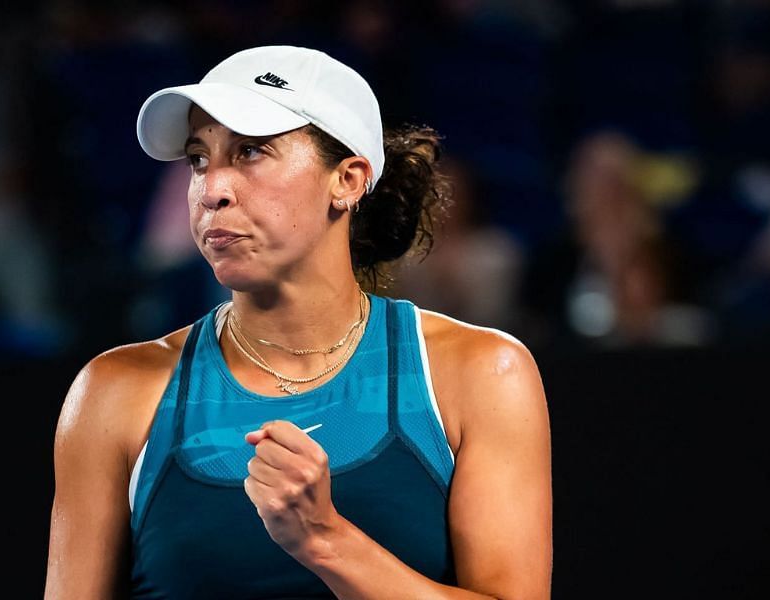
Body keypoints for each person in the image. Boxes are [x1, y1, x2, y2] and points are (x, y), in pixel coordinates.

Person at [44, 45, 552, 599]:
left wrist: (324, 541)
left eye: (251, 152)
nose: (212, 189)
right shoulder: (113, 392)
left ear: (349, 180)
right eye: (198, 159)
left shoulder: (480, 374)